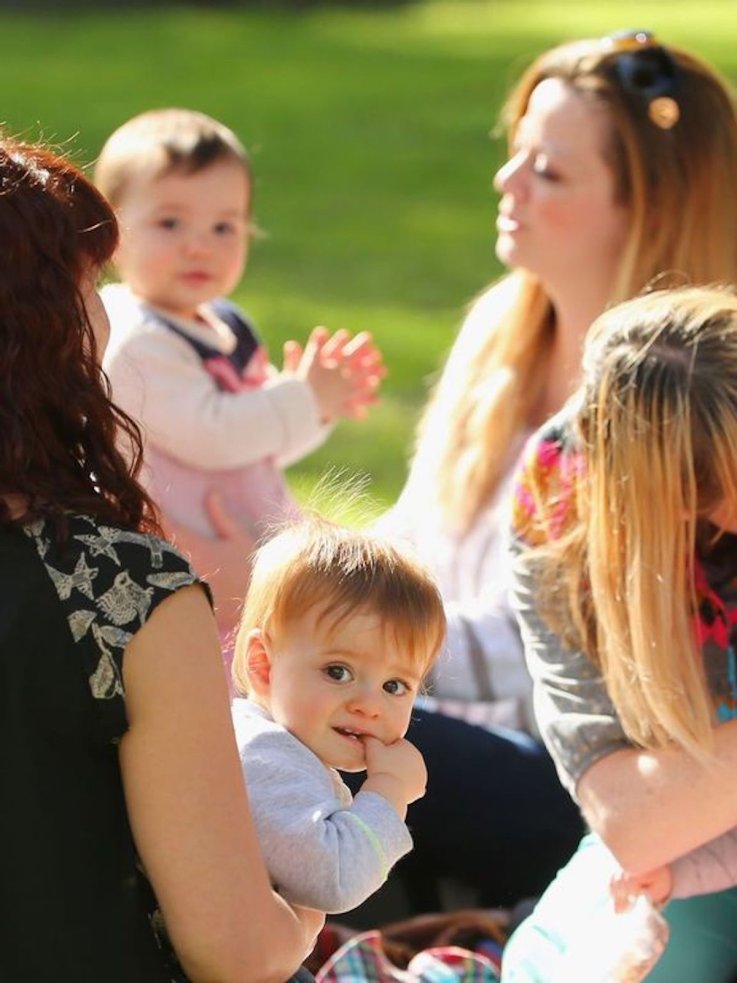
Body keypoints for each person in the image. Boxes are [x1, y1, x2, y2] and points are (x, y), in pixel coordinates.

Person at [360, 27, 737, 915]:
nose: (506, 180)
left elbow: (537, 660)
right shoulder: (501, 331)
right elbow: (413, 535)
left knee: (325, 725)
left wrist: (355, 646)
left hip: (571, 765)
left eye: (550, 170)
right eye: (516, 151)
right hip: (444, 714)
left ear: (647, 208)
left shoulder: (683, 412)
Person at [0, 135, 322, 981]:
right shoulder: (118, 591)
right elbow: (231, 948)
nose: (108, 316)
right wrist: (308, 907)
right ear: (38, 328)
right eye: (89, 285)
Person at [502, 285, 737, 981]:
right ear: (679, 499)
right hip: (702, 833)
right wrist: (676, 871)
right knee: (563, 964)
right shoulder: (567, 501)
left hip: (705, 800)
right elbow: (632, 822)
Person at [94, 107, 384, 636]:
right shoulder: (138, 342)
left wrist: (316, 407)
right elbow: (217, 435)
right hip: (179, 565)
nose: (199, 244)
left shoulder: (223, 323)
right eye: (170, 222)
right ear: (111, 229)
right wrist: (298, 399)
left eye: (224, 225)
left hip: (239, 542)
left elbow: (255, 444)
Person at [230, 514, 446, 914]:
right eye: (338, 672)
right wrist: (390, 789)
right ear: (264, 665)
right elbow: (335, 878)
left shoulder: (278, 749)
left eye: (394, 686)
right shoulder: (264, 757)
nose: (369, 705)